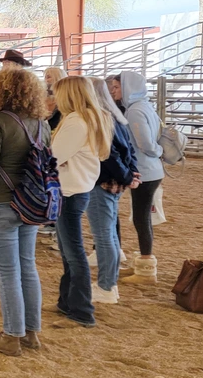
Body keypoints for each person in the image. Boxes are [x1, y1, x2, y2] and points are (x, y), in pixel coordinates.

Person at [0, 67, 51, 356]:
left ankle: (11, 335)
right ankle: (31, 333)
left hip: (0, 202)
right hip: (30, 202)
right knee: (27, 267)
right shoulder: (42, 124)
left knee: (8, 273)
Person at [50, 76, 114, 329]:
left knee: (73, 253)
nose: (54, 99)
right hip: (76, 188)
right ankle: (67, 301)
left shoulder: (77, 121)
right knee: (69, 251)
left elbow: (54, 155)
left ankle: (82, 308)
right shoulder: (88, 117)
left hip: (69, 191)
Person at [86, 77, 140, 305]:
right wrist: (131, 174)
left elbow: (108, 155)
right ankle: (109, 283)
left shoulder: (100, 119)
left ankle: (107, 286)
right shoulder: (116, 116)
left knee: (104, 235)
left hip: (102, 182)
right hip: (114, 182)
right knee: (108, 233)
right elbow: (129, 150)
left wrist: (127, 176)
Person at [119, 71, 164, 285]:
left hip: (145, 169)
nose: (114, 91)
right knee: (142, 217)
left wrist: (156, 150)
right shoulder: (143, 106)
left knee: (141, 217)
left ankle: (146, 267)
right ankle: (143, 263)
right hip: (151, 169)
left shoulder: (134, 111)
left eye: (117, 87)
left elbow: (145, 143)